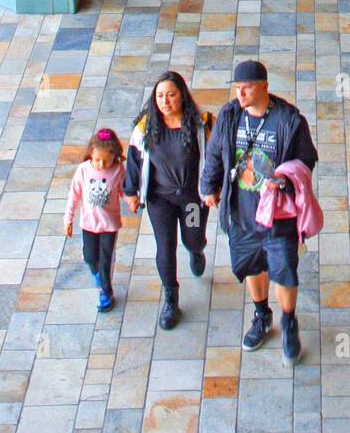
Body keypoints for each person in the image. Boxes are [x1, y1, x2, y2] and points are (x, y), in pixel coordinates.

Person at [201, 60, 318, 367]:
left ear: (265, 86)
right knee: (252, 266)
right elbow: (215, 153)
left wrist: (288, 178)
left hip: (277, 215)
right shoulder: (229, 116)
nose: (240, 93)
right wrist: (207, 187)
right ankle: (261, 314)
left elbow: (307, 158)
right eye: (237, 88)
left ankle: (289, 321)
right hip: (241, 213)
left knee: (285, 270)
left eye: (247, 87)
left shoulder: (289, 120)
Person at [125, 72, 215, 331]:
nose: (165, 101)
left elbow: (216, 156)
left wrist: (214, 187)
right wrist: (132, 193)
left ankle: (196, 251)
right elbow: (134, 160)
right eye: (160, 96)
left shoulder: (201, 124)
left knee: (193, 237)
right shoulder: (145, 127)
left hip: (191, 200)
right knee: (165, 246)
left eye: (171, 95)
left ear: (182, 96)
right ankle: (171, 297)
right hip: (160, 199)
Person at [63, 128, 126, 313]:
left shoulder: (118, 170)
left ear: (115, 156)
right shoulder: (83, 170)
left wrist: (133, 200)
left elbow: (124, 191)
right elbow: (73, 195)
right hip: (88, 224)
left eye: (107, 160)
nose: (101, 164)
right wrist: (68, 219)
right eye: (97, 159)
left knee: (106, 259)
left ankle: (106, 292)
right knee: (90, 257)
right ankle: (97, 273)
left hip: (109, 225)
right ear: (91, 154)